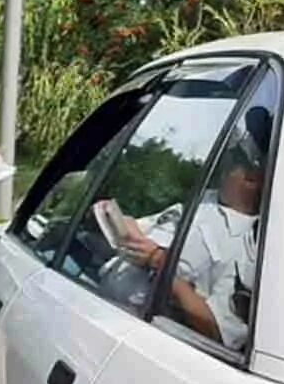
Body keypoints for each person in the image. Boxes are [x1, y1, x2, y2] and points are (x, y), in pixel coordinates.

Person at [116, 105, 273, 350]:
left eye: (233, 160)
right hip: (105, 292)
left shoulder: (250, 251)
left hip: (136, 336)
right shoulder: (203, 200)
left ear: (252, 179)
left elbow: (217, 331)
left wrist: (160, 262)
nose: (223, 165)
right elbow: (143, 226)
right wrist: (116, 220)